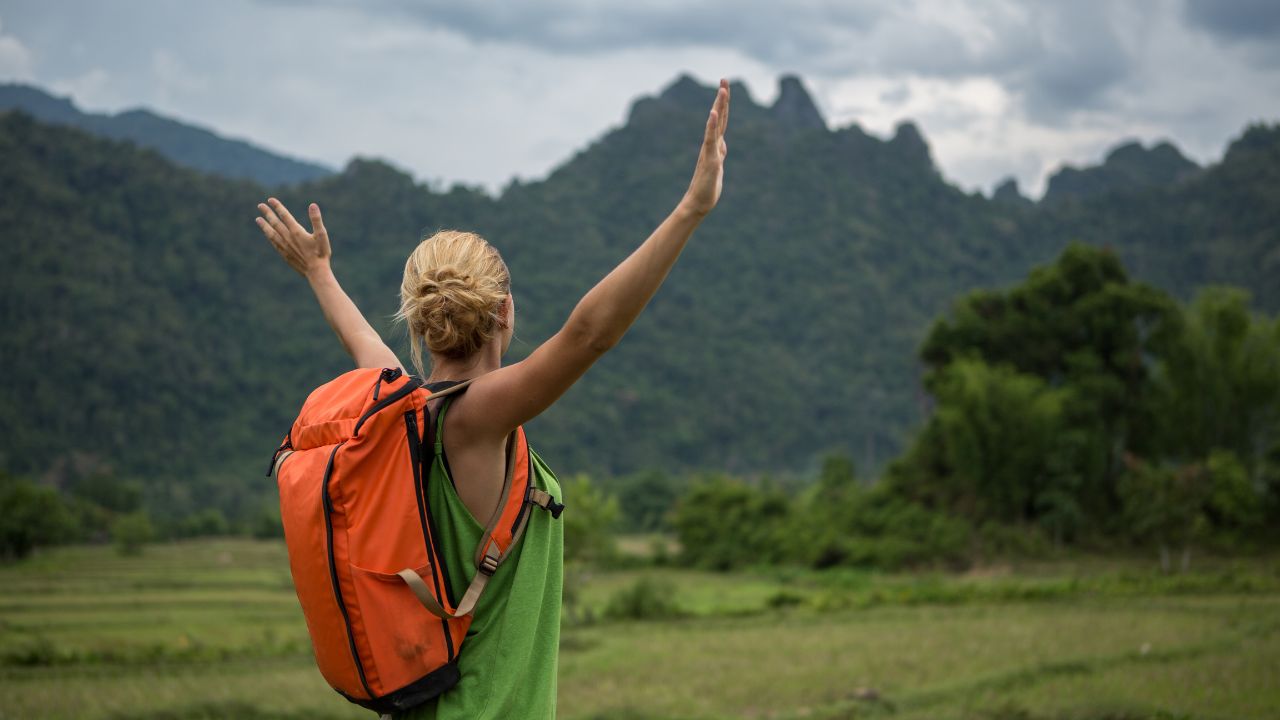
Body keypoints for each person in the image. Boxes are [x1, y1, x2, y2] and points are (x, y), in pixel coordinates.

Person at [254, 79, 730, 719]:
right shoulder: (475, 422)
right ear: (506, 312)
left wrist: (320, 273)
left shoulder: (408, 415)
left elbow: (366, 345)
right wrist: (690, 210)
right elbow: (589, 334)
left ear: (419, 326)